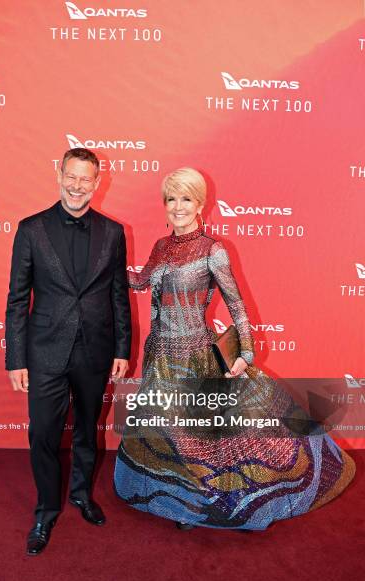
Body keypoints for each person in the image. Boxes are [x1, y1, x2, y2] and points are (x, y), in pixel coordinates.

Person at [114, 167, 355, 530]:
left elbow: (237, 305)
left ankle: (203, 504)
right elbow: (140, 281)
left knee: (196, 438)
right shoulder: (161, 247)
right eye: (171, 199)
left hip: (195, 356)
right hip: (160, 356)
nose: (178, 207)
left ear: (200, 205)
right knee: (169, 435)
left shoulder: (214, 250)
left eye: (186, 199)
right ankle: (181, 499)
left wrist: (246, 354)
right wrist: (103, 260)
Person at [5, 148, 131, 555]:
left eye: (86, 179)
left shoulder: (113, 232)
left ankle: (80, 493)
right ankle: (45, 508)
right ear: (59, 176)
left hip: (95, 351)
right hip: (44, 352)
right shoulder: (31, 229)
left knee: (87, 432)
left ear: (98, 183)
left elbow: (118, 296)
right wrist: (16, 358)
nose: (77, 186)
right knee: (42, 433)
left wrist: (122, 348)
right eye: (71, 177)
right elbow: (17, 299)